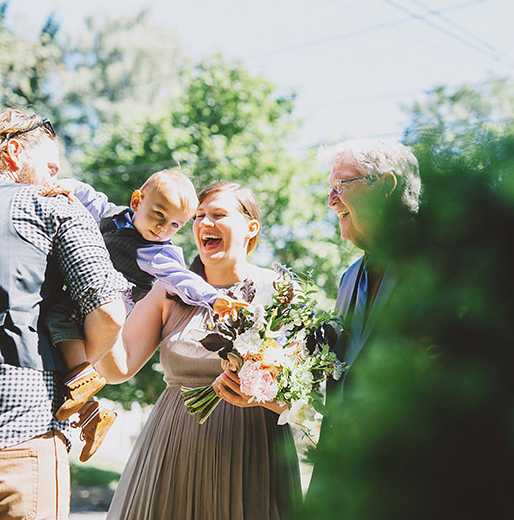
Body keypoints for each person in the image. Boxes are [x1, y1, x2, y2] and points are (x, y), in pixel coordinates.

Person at [98, 181, 301, 520]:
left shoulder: (279, 291)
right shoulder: (168, 289)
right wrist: (97, 308)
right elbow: (118, 369)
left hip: (253, 451)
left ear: (251, 227)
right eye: (198, 216)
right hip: (172, 447)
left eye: (218, 214)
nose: (205, 223)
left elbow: (301, 398)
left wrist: (260, 395)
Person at [39, 172, 245, 462]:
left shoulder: (156, 252)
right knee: (58, 352)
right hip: (83, 295)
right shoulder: (111, 216)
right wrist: (64, 185)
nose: (163, 229)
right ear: (137, 201)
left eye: (175, 225)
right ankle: (92, 413)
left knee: (56, 318)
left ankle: (83, 384)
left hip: (108, 303)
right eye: (159, 215)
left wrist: (213, 299)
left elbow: (182, 279)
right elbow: (89, 195)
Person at [0, 108, 128, 520]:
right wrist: (77, 367)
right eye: (50, 167)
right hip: (24, 433)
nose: (55, 180)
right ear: (13, 153)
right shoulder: (53, 207)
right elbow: (108, 310)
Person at [304, 139, 421, 500]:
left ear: (386, 186)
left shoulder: (444, 263)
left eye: (341, 186)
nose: (330, 200)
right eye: (329, 189)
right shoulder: (348, 278)